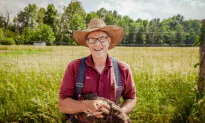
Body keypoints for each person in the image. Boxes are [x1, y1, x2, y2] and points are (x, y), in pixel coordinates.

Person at [58, 18, 136, 122]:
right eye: (92, 40)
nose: (97, 44)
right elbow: (62, 104)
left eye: (102, 39)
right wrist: (86, 105)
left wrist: (117, 113)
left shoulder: (123, 69)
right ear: (87, 43)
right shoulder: (74, 67)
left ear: (109, 40)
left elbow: (131, 98)